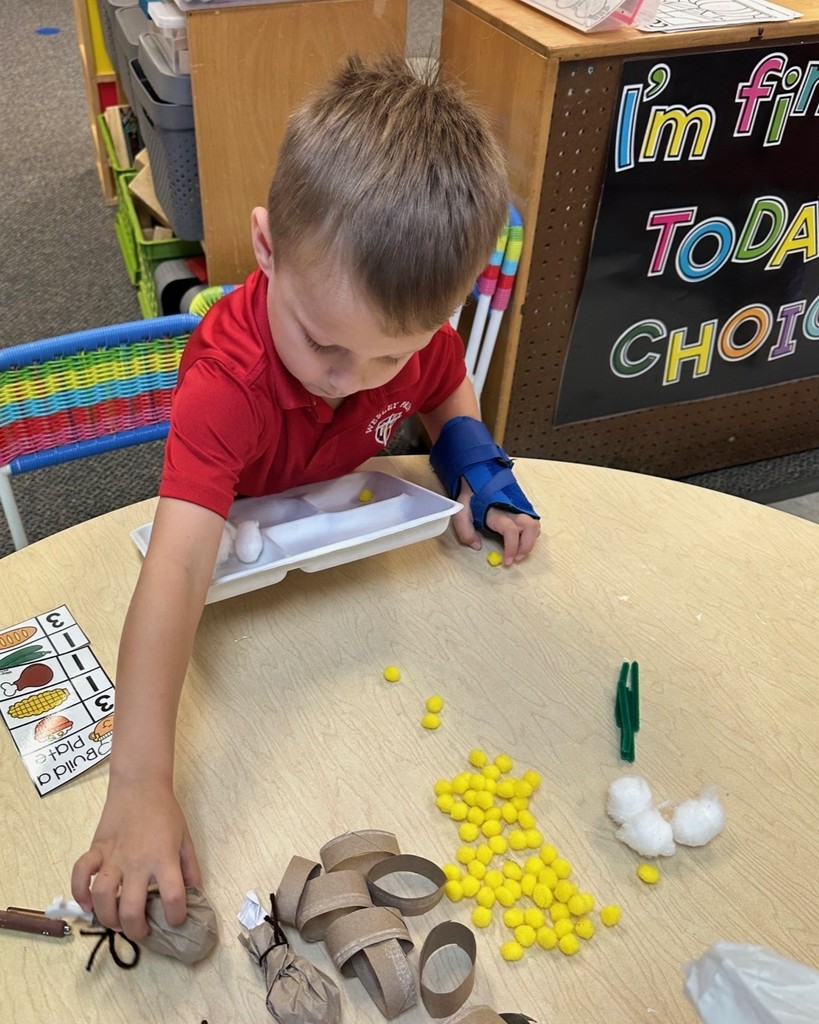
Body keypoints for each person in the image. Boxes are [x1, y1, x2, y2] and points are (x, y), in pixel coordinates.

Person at [71, 54, 541, 939]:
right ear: (265, 248)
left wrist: (478, 471)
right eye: (325, 345)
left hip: (351, 598)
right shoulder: (228, 381)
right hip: (237, 603)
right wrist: (137, 784)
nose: (350, 380)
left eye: (385, 357)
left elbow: (443, 391)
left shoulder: (410, 341)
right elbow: (174, 570)